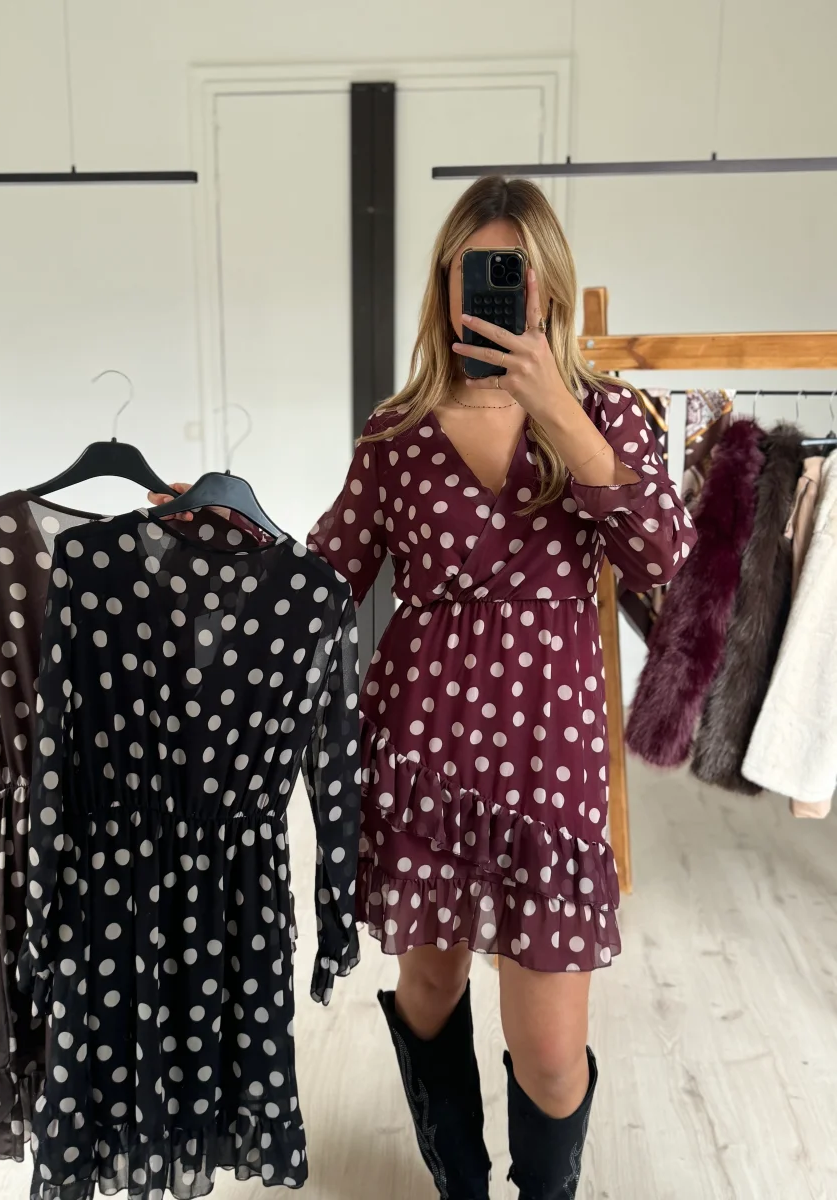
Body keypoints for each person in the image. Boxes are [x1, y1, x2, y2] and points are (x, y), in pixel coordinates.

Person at [150, 175, 695, 1200]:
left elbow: (664, 554)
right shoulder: (397, 431)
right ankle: (462, 1186)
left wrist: (559, 412)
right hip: (422, 753)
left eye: (509, 273)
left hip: (548, 761)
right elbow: (325, 577)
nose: (486, 292)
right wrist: (222, 533)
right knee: (431, 988)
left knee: (549, 1051)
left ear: (545, 286)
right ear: (443, 286)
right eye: (467, 272)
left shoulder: (609, 414)